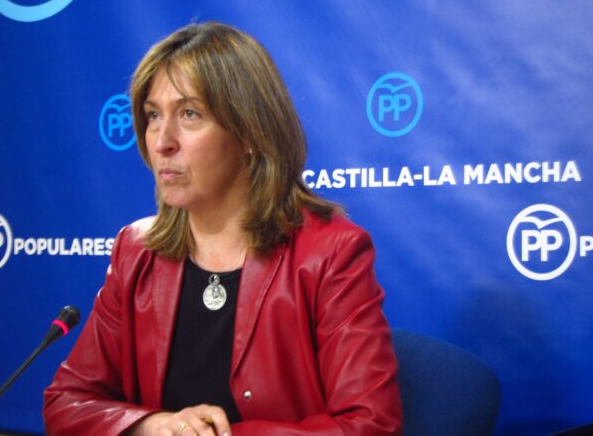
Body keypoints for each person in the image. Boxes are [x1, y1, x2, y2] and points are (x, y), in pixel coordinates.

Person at [43, 22, 402, 436]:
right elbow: (66, 401)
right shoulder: (136, 250)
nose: (162, 141)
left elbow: (371, 426)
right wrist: (152, 426)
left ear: (249, 131)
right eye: (154, 116)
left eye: (189, 114)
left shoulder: (332, 252)